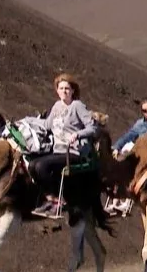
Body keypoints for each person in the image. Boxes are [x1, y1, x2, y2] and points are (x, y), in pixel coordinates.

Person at [30, 74, 98, 218]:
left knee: (42, 166)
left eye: (67, 88)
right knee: (32, 165)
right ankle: (48, 198)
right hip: (57, 150)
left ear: (73, 91)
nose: (64, 91)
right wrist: (28, 121)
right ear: (57, 90)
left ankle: (57, 200)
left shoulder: (77, 106)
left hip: (73, 151)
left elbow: (92, 128)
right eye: (61, 88)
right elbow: (47, 125)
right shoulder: (56, 106)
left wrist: (78, 134)